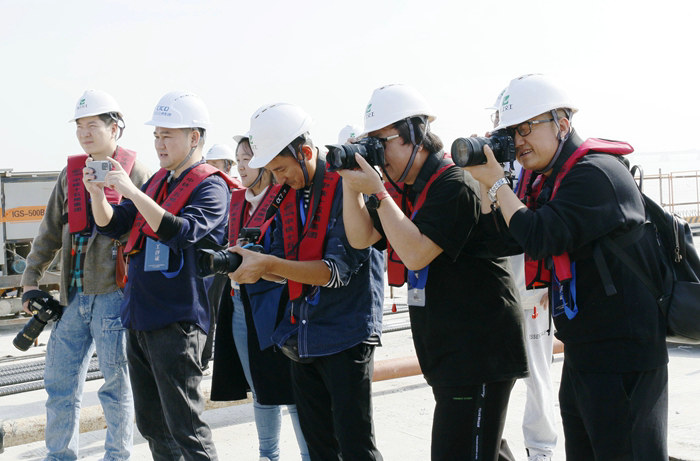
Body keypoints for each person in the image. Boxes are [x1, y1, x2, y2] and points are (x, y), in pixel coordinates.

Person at [465, 73, 669, 460]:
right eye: (511, 132)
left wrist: (497, 185)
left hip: (623, 354)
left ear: (561, 124)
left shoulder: (595, 173)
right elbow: (503, 241)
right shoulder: (549, 180)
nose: (518, 140)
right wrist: (483, 183)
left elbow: (540, 237)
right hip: (585, 353)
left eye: (526, 127)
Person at [338, 83, 528, 461]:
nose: (378, 155)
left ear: (415, 134)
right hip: (449, 353)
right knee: (483, 449)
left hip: (478, 353)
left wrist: (378, 192)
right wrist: (350, 184)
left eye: (382, 143)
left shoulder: (454, 183)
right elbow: (361, 238)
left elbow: (415, 254)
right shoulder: (403, 189)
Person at [229, 103, 384, 461]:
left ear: (307, 153)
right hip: (303, 334)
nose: (279, 179)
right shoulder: (288, 192)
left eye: (281, 169)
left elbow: (335, 272)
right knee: (319, 449)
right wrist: (252, 267)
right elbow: (282, 265)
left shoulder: (346, 183)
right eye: (272, 172)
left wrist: (269, 264)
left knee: (356, 447)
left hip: (347, 332)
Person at [85, 90, 234, 460]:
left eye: (167, 135)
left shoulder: (211, 185)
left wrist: (131, 191)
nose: (159, 144)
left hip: (177, 320)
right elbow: (115, 225)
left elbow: (180, 232)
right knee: (152, 425)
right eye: (156, 135)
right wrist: (97, 195)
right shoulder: (158, 183)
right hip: (141, 316)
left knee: (186, 427)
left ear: (194, 137)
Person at [21, 89, 150, 461]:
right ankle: (59, 456)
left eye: (93, 125)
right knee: (59, 384)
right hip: (72, 299)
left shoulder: (136, 173)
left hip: (114, 296)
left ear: (115, 129)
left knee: (116, 386)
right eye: (80, 126)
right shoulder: (70, 174)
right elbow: (49, 231)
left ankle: (117, 456)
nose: (84, 133)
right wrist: (30, 280)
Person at [210, 135, 309, 461]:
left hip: (277, 305)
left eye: (248, 159)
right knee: (260, 388)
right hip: (240, 303)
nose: (241, 166)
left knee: (291, 390)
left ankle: (310, 454)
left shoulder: (286, 197)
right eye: (238, 159)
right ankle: (268, 455)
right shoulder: (236, 200)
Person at [489, 92, 559, 461]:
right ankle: (494, 446)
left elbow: (548, 225)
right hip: (497, 285)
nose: (511, 137)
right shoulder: (489, 161)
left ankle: (541, 450)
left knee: (537, 374)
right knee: (493, 375)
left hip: (533, 287)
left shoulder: (539, 165)